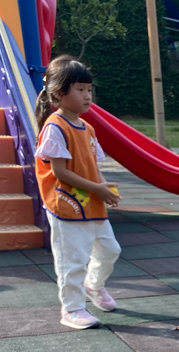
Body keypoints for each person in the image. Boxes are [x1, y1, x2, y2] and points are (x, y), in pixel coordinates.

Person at [34, 55, 122, 329]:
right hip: (67, 205)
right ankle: (71, 309)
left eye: (89, 89)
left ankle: (93, 285)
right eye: (80, 89)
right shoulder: (55, 127)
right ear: (59, 94)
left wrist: (105, 188)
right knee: (73, 260)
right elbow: (60, 172)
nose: (87, 95)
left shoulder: (88, 128)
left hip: (91, 202)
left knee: (110, 250)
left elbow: (93, 165)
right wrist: (97, 188)